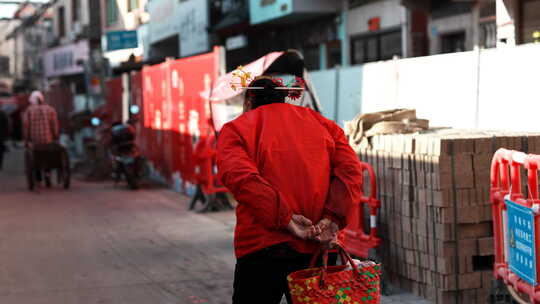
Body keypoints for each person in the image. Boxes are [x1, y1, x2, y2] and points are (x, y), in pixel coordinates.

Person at [216, 77, 363, 304]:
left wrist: (286, 220)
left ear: (248, 101)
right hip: (320, 245)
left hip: (263, 247)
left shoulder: (236, 130)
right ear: (285, 96)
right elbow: (351, 171)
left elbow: (242, 179)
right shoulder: (325, 125)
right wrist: (332, 219)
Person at [23, 90, 59, 184]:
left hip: (35, 141)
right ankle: (47, 173)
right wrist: (55, 137)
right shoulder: (50, 109)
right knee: (48, 155)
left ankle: (38, 177)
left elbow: (26, 126)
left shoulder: (29, 110)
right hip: (48, 140)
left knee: (35, 156)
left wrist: (26, 140)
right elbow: (54, 125)